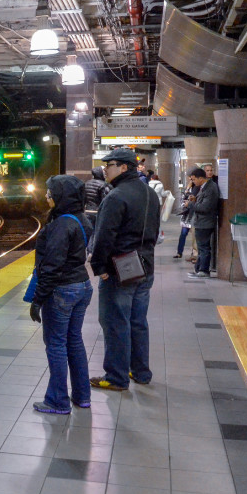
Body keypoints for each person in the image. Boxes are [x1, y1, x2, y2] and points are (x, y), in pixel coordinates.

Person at [88, 147, 160, 391]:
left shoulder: (116, 196)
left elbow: (104, 236)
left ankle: (116, 377)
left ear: (124, 167)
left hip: (120, 268)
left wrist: (99, 266)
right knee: (138, 321)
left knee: (114, 321)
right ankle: (140, 372)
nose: (105, 168)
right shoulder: (151, 194)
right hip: (145, 266)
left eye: (110, 164)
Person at [25, 175, 94, 415]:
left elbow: (52, 266)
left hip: (62, 290)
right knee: (74, 341)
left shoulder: (62, 225)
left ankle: (58, 401)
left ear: (61, 195)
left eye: (50, 192)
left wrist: (38, 299)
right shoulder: (81, 219)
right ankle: (82, 396)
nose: (47, 196)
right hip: (82, 286)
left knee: (55, 344)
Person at [187, 167, 220, 279]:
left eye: (194, 179)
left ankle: (204, 270)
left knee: (204, 247)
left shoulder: (210, 188)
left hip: (205, 222)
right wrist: (195, 200)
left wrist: (191, 205)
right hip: (201, 221)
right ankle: (199, 269)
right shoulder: (204, 187)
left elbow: (205, 207)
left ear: (201, 178)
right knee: (201, 247)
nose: (193, 182)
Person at [174, 174, 199, 259]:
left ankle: (194, 254)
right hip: (187, 216)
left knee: (194, 237)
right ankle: (179, 252)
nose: (192, 181)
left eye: (194, 179)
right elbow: (183, 199)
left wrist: (189, 203)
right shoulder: (189, 188)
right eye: (191, 179)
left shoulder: (199, 189)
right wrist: (187, 192)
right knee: (183, 234)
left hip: (193, 215)